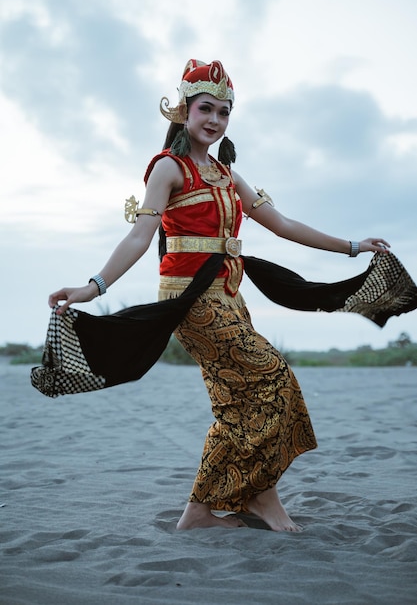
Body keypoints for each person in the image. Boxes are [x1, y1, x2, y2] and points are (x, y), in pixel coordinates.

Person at [48, 59, 391, 532]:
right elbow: (138, 237)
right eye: (206, 108)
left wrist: (353, 246)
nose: (215, 120)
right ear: (183, 112)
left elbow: (284, 224)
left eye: (224, 112)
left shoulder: (228, 173)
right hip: (193, 303)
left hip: (230, 298)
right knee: (274, 380)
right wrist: (93, 286)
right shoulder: (170, 168)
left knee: (236, 405)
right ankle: (261, 499)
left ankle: (199, 513)